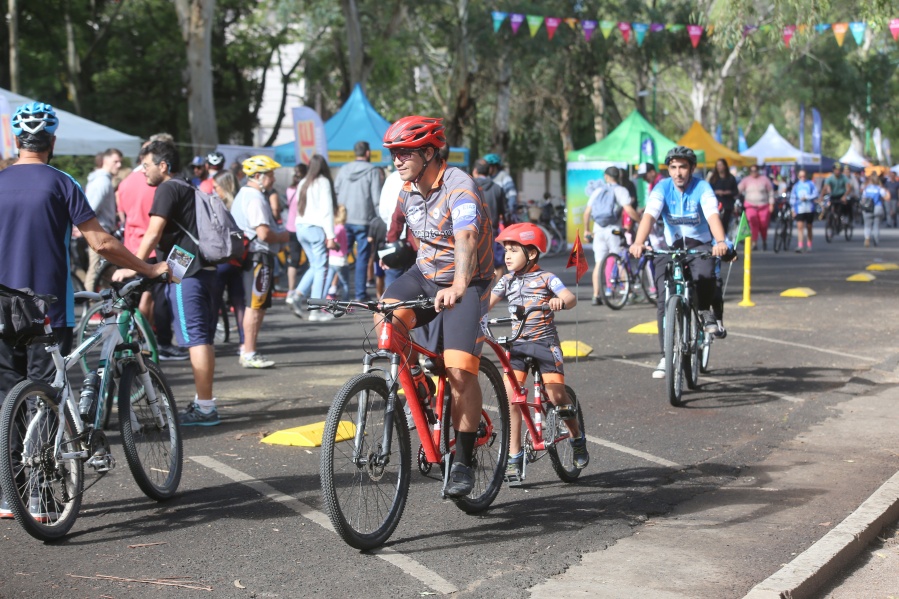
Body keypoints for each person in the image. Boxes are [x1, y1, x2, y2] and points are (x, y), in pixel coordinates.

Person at [0, 103, 169, 519]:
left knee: (7, 400)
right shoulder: (60, 183)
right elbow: (101, 243)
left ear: (16, 142)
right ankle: (39, 498)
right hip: (45, 308)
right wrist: (147, 267)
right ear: (52, 142)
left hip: (0, 308)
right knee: (45, 399)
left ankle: (8, 496)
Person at [378, 115, 494, 497]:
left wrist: (460, 283)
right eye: (393, 153)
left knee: (460, 371)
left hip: (468, 281)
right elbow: (398, 229)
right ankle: (421, 387)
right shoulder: (406, 189)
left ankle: (462, 461)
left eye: (405, 152)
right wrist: (387, 251)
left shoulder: (460, 186)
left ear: (429, 152)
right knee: (387, 318)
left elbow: (466, 236)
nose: (397, 160)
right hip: (425, 274)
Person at [117, 140, 220, 426]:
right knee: (203, 339)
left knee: (196, 339)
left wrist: (132, 266)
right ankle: (206, 404)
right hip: (207, 270)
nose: (143, 171)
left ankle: (206, 409)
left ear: (163, 166)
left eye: (147, 165)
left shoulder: (167, 188)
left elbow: (152, 233)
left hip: (187, 275)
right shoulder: (188, 185)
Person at [488, 223, 587, 481]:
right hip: (518, 346)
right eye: (505, 250)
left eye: (513, 250)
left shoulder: (546, 278)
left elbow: (570, 297)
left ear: (531, 253)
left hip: (545, 345)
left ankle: (576, 437)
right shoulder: (506, 280)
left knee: (556, 396)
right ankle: (514, 457)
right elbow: (486, 304)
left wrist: (559, 301)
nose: (507, 255)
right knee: (512, 400)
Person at [628, 146, 730, 379]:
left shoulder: (702, 187)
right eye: (673, 167)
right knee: (664, 299)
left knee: (705, 276)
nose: (678, 172)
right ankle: (666, 354)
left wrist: (720, 241)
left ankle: (704, 311)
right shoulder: (662, 187)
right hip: (671, 246)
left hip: (699, 244)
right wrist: (638, 242)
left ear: (692, 168)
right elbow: (650, 215)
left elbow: (713, 214)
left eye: (683, 167)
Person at [116, 134, 187, 361]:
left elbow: (122, 212)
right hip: (155, 249)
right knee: (160, 298)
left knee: (138, 297)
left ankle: (137, 342)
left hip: (131, 244)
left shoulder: (127, 181)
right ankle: (162, 343)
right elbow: (155, 229)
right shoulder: (164, 184)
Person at [230, 156, 290, 367]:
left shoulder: (244, 195)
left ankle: (248, 349)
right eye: (270, 174)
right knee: (254, 306)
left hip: (252, 257)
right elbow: (263, 233)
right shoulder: (255, 198)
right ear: (258, 176)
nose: (273, 179)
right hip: (258, 257)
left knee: (255, 305)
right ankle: (249, 352)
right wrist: (283, 236)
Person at [334, 141, 384, 301]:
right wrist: (380, 219)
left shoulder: (343, 169)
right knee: (362, 258)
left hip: (344, 219)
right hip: (364, 220)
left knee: (338, 255)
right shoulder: (372, 171)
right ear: (367, 153)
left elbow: (335, 192)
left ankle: (332, 289)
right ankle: (359, 294)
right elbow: (376, 198)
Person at [292, 154, 339, 321]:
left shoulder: (303, 182)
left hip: (301, 227)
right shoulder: (323, 182)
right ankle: (315, 310)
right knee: (321, 269)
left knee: (314, 265)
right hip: (315, 228)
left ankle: (296, 295)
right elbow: (326, 211)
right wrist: (331, 236)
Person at [583, 166, 639, 306]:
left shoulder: (597, 191)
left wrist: (586, 230)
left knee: (598, 264)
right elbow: (629, 210)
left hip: (598, 231)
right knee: (618, 260)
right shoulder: (621, 190)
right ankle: (627, 292)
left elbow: (587, 213)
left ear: (606, 176)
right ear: (618, 176)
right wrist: (641, 221)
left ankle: (596, 296)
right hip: (614, 230)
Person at [211, 170, 246, 354]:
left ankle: (208, 343)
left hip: (221, 259)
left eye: (216, 187)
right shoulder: (241, 203)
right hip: (238, 259)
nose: (213, 190)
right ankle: (244, 342)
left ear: (224, 187)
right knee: (239, 302)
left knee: (214, 303)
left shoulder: (217, 206)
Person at [84, 148, 123, 291]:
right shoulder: (103, 182)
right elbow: (90, 209)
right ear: (105, 161)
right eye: (116, 161)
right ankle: (91, 309)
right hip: (99, 233)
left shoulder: (102, 180)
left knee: (108, 273)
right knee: (95, 271)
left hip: (102, 232)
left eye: (120, 162)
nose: (119, 165)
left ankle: (107, 308)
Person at [472, 158, 507, 280]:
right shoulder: (497, 188)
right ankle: (493, 293)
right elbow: (505, 212)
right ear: (489, 171)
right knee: (497, 264)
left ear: (475, 171)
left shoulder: (468, 186)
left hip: (472, 232)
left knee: (473, 264)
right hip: (493, 232)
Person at [284, 163, 309, 306]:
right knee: (313, 260)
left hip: (290, 227)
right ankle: (305, 289)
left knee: (293, 260)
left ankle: (291, 290)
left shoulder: (289, 189)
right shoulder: (305, 189)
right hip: (304, 227)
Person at [738, 164, 775, 250]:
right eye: (752, 171)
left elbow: (771, 192)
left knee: (763, 224)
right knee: (753, 224)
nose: (754, 172)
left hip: (763, 205)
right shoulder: (746, 180)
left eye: (755, 171)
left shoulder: (764, 179)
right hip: (750, 205)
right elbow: (738, 190)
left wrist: (771, 204)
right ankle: (754, 243)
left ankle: (764, 240)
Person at [484, 153, 519, 223]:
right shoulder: (487, 179)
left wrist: (508, 213)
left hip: (504, 218)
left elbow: (512, 196)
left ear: (494, 166)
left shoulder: (504, 177)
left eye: (488, 166)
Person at [790, 169, 818, 253]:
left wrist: (807, 197)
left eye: (804, 176)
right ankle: (800, 245)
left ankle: (809, 244)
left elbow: (816, 194)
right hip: (799, 208)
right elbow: (793, 197)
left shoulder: (811, 184)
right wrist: (792, 209)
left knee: (809, 227)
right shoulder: (796, 186)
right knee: (800, 227)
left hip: (809, 208)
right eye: (800, 176)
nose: (802, 178)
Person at [709, 158, 740, 235]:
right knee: (715, 222)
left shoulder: (731, 178)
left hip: (727, 204)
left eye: (721, 165)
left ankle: (724, 239)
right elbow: (709, 190)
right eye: (718, 165)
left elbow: (735, 191)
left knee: (725, 223)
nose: (719, 167)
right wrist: (716, 192)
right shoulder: (713, 178)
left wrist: (727, 192)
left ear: (725, 166)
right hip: (716, 203)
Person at [327, 205, 351, 300]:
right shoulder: (341, 228)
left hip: (332, 259)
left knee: (329, 281)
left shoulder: (335, 227)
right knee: (345, 283)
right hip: (341, 259)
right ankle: (346, 304)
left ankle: (326, 299)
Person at [861, 175, 890, 248]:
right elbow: (886, 197)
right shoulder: (879, 188)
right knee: (876, 225)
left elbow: (863, 199)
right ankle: (876, 240)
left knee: (867, 225)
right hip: (878, 207)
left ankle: (867, 237)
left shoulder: (867, 188)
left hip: (868, 208)